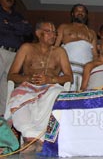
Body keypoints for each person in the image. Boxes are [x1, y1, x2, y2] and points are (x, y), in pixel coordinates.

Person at [7, 21, 73, 152]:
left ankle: (40, 138)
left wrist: (51, 79)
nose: (53, 35)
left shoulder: (60, 51)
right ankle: (30, 137)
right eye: (49, 31)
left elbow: (69, 77)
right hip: (28, 86)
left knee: (57, 94)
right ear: (38, 33)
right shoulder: (26, 48)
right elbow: (11, 75)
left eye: (55, 32)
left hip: (51, 86)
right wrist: (28, 78)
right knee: (17, 96)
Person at [0, 0, 33, 116]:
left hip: (15, 55)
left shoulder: (18, 16)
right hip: (0, 51)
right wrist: (16, 27)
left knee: (7, 87)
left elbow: (28, 30)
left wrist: (9, 24)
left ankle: (2, 119)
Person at [55, 3, 97, 90]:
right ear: (72, 14)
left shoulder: (91, 33)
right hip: (66, 70)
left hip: (85, 72)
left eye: (83, 11)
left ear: (86, 15)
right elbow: (55, 48)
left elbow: (95, 55)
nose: (80, 13)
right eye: (77, 11)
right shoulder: (64, 27)